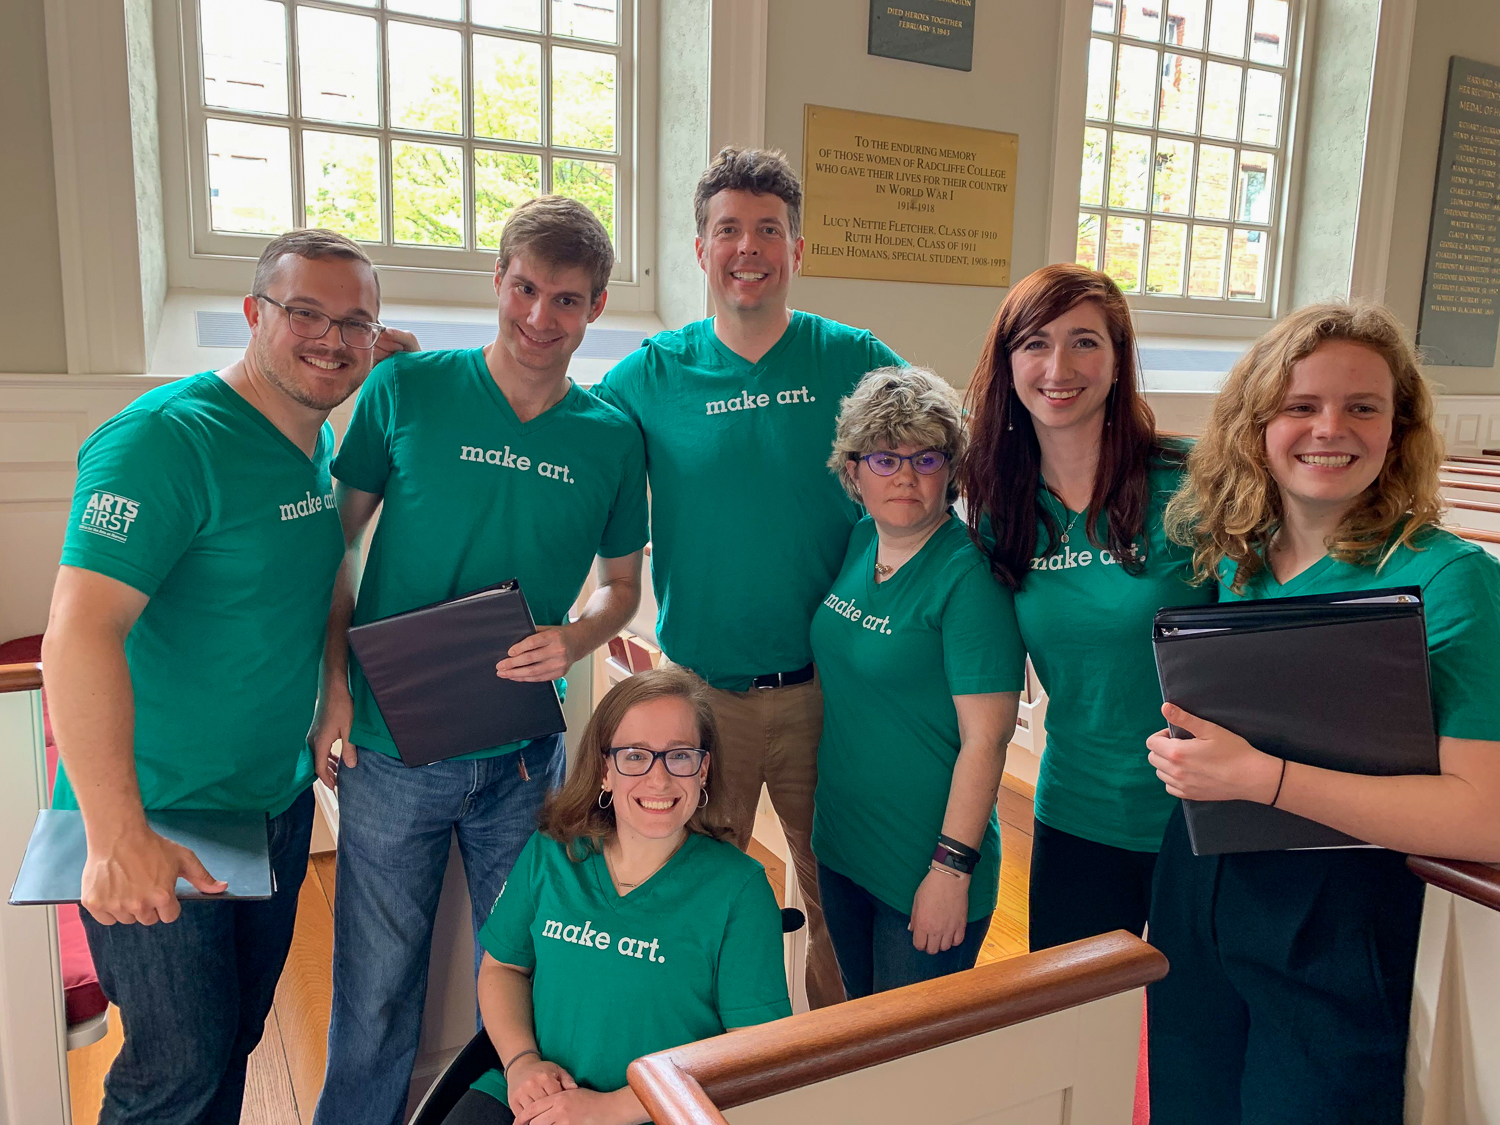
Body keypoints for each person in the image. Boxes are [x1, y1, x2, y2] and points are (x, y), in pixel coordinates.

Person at [41, 229, 416, 1125]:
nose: (331, 339)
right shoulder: (165, 440)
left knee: (231, 1044)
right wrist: (114, 833)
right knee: (174, 1077)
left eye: (354, 323)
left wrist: (334, 684)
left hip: (274, 809)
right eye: (305, 314)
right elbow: (78, 633)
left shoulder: (317, 440)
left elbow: (320, 574)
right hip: (162, 817)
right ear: (253, 314)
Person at [310, 197, 648, 1125]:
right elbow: (331, 546)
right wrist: (330, 685)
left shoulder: (612, 437)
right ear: (497, 282)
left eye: (568, 300)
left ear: (597, 306)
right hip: (389, 747)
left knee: (525, 977)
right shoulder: (406, 391)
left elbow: (621, 586)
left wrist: (576, 636)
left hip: (519, 760)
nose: (541, 318)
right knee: (375, 990)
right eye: (526, 289)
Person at [1147, 302, 1500, 1124]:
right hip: (1200, 885)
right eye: (1301, 405)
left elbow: (1484, 817)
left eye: (1362, 407)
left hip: (1337, 911)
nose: (1329, 428)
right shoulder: (1238, 553)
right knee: (1187, 1104)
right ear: (1258, 422)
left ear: (1398, 427)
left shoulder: (1449, 576)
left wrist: (1259, 776)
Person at [594, 147, 904, 1008]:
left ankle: (834, 1065)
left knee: (835, 893)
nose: (748, 247)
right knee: (701, 896)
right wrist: (425, 372)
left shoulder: (855, 358)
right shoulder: (652, 374)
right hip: (706, 697)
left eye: (769, 230)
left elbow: (941, 455)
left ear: (797, 250)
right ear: (700, 249)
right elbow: (562, 437)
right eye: (728, 229)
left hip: (831, 692)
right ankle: (714, 1070)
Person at [959, 263, 1215, 952]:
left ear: (1118, 358)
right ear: (1009, 361)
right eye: (1036, 342)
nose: (1058, 365)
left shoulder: (1190, 484)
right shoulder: (998, 512)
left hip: (1205, 815)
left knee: (1192, 1039)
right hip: (1078, 812)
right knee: (1072, 1037)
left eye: (1084, 341)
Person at [441, 667, 792, 1125]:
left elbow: (754, 1053)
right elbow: (503, 966)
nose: (659, 779)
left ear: (703, 769)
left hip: (659, 1111)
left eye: (680, 756)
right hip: (536, 1095)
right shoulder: (553, 851)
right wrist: (522, 1062)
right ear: (605, 770)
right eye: (634, 756)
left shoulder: (739, 890)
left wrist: (608, 1108)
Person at [810, 366, 1024, 996]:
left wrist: (951, 870)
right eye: (883, 457)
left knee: (911, 1074)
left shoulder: (969, 576)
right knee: (858, 1030)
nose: (904, 475)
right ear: (853, 471)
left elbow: (987, 740)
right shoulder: (858, 542)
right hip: (844, 846)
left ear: (951, 470)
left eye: (925, 458)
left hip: (924, 866)